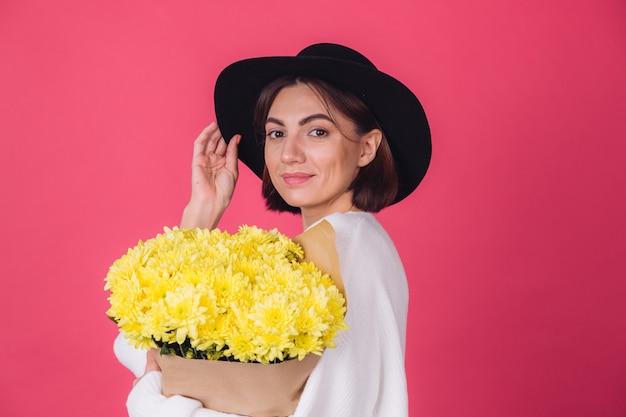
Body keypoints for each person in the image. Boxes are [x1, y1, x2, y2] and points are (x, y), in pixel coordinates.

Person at [114, 42, 431, 417]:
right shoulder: (365, 242)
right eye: (276, 134)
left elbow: (148, 342)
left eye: (317, 132)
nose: (289, 154)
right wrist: (204, 208)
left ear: (366, 148)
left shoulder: (334, 248)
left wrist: (152, 402)